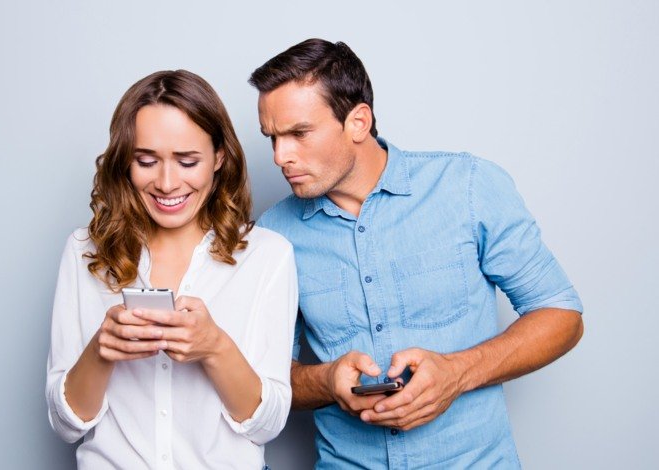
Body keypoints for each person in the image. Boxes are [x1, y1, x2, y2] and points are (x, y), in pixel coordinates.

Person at [250, 39, 584, 468]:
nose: (281, 157)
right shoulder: (273, 234)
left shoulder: (467, 186)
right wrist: (326, 380)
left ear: (358, 122)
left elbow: (562, 315)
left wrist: (457, 372)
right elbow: (262, 382)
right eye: (272, 138)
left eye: (298, 133)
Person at [45, 70, 297, 469]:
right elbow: (66, 424)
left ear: (219, 158)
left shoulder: (267, 256)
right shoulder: (83, 252)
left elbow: (265, 425)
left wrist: (214, 346)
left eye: (187, 161)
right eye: (146, 161)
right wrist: (101, 350)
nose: (166, 183)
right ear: (124, 163)